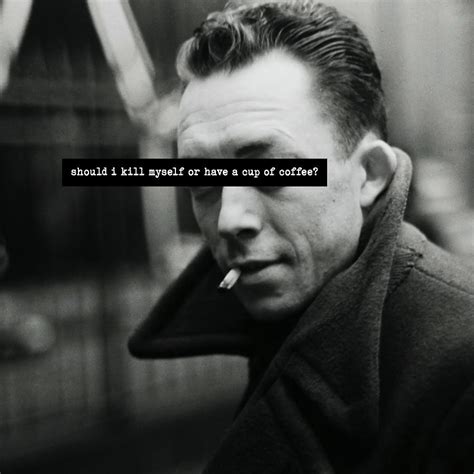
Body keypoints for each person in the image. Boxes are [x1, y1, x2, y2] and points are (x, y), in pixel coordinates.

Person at [129, 1, 474, 472]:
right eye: (202, 181)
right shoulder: (288, 315)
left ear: (370, 174)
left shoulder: (460, 369)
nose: (229, 218)